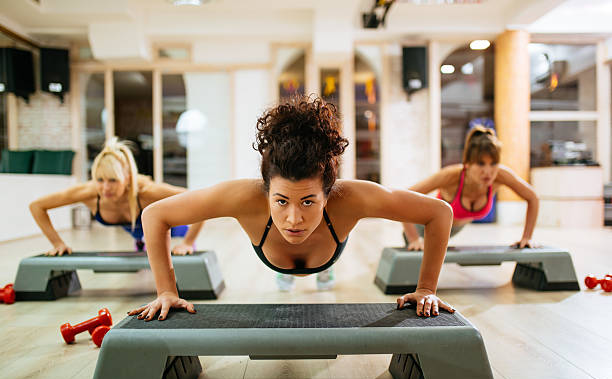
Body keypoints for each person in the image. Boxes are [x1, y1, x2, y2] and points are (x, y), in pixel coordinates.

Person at [128, 96, 455, 322]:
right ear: (266, 190)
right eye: (281, 201)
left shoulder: (353, 198)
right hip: (276, 250)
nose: (294, 218)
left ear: (329, 194)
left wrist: (426, 289)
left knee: (319, 252)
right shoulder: (243, 197)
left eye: (309, 201)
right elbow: (154, 215)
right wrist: (166, 292)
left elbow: (439, 213)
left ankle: (325, 268)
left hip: (328, 244)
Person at [29, 137, 204, 256]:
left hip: (172, 226)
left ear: (127, 179)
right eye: (100, 180)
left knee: (172, 232)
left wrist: (188, 242)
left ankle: (150, 240)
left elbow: (199, 200)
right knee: (142, 237)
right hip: (137, 229)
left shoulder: (147, 192)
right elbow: (37, 206)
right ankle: (142, 242)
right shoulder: (89, 193)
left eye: (113, 180)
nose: (105, 188)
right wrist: (58, 244)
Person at [402, 125, 539, 251]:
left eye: (493, 163)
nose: (488, 171)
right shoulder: (451, 176)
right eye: (480, 164)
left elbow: (532, 197)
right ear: (467, 163)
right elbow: (404, 197)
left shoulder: (500, 176)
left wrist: (527, 237)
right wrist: (414, 238)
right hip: (423, 227)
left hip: (451, 231)